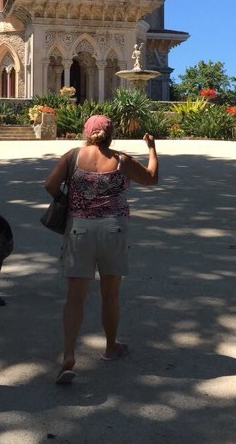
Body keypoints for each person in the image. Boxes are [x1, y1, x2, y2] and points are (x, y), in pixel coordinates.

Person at [44, 114, 158, 385]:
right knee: (110, 294)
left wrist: (70, 201)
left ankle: (69, 356)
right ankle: (110, 347)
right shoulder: (120, 159)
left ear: (86, 132)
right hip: (112, 229)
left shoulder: (73, 155)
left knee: (75, 297)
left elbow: (49, 185)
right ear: (111, 134)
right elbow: (152, 178)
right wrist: (152, 148)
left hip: (78, 229)